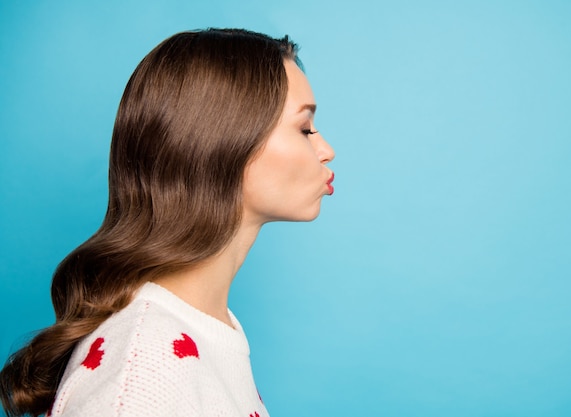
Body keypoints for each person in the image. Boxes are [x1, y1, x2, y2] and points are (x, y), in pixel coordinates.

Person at [0, 28, 335, 417]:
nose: (326, 150)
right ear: (221, 143)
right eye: (304, 128)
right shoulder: (140, 374)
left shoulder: (205, 329)